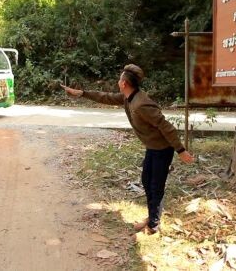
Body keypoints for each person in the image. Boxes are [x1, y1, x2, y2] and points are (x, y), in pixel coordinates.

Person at [61, 64, 194, 235]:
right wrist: (83, 93)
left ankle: (153, 224)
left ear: (124, 83)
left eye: (119, 79)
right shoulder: (128, 97)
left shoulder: (141, 104)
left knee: (156, 186)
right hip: (152, 148)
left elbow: (166, 127)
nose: (118, 82)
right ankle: (153, 216)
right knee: (147, 181)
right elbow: (106, 97)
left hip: (162, 149)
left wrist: (181, 150)